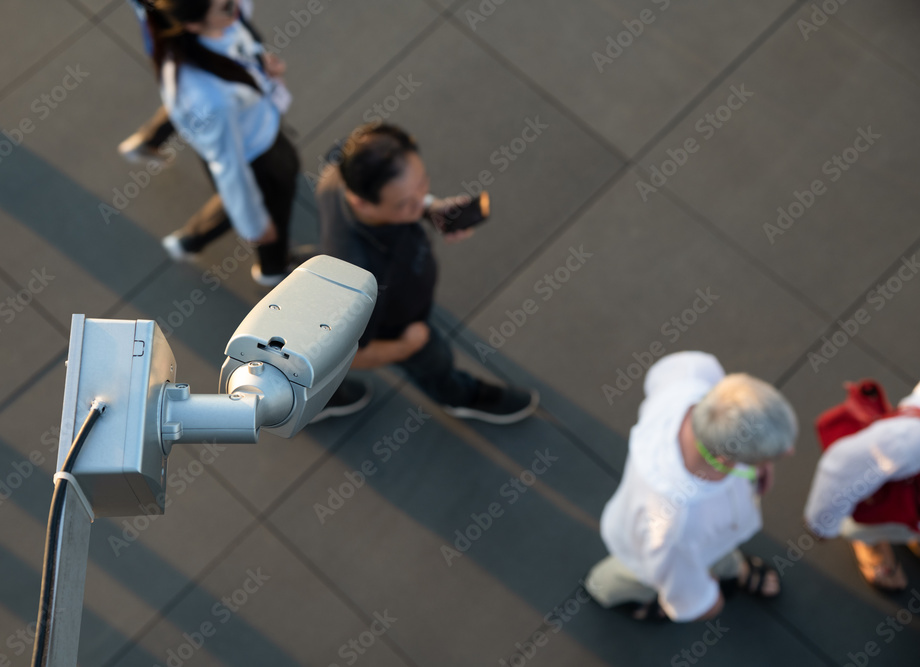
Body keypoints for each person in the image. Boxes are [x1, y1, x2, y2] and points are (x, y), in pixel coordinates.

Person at [311, 123, 539, 424]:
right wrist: (404, 346)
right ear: (361, 202)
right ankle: (458, 396)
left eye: (423, 185)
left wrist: (430, 208)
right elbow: (342, 354)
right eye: (405, 203)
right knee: (434, 360)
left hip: (399, 287)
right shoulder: (359, 278)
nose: (421, 201)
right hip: (399, 327)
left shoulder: (344, 165)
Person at [584, 351, 798, 622]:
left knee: (712, 550)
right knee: (634, 578)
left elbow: (658, 378)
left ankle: (727, 565)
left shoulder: (694, 373)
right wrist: (707, 601)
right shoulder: (677, 528)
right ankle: (608, 590)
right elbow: (694, 602)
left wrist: (760, 456)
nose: (790, 452)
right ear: (724, 458)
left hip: (697, 542)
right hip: (645, 555)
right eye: (769, 456)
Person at [145, 0, 298, 286]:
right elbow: (229, 165)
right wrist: (254, 223)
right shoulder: (208, 98)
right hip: (259, 155)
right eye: (227, 7)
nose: (236, 7)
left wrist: (260, 66)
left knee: (240, 199)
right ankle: (274, 269)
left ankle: (190, 241)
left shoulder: (211, 30)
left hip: (256, 139)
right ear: (192, 24)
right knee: (269, 213)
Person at [804, 381, 920, 592]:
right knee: (868, 525)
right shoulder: (909, 439)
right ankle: (869, 541)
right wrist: (822, 522)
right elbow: (842, 464)